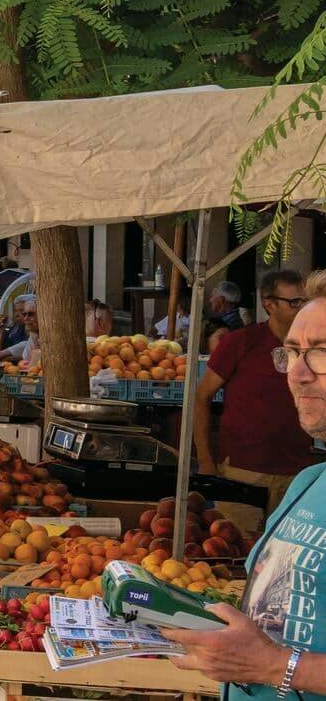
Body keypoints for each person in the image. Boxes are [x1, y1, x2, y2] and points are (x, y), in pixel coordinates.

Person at [160, 294, 326, 697]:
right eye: (291, 352)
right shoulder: (309, 482)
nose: (298, 373)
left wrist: (272, 666)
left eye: (320, 352)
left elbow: (268, 658)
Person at [196, 268, 313, 509]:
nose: (301, 308)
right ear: (268, 304)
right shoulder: (240, 342)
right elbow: (201, 396)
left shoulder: (313, 347)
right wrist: (205, 459)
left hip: (297, 473)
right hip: (243, 470)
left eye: (304, 301)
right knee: (235, 545)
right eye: (293, 302)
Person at [0, 295, 40, 367]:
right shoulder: (16, 328)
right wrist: (2, 331)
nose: (16, 314)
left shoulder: (30, 336)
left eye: (21, 311)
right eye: (24, 314)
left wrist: (3, 358)